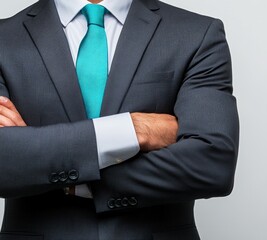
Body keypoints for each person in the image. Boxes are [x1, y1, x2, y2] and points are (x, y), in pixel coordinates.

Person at [0, 0, 239, 239]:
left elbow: (213, 165)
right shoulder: (4, 38)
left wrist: (61, 174)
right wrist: (132, 130)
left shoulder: (197, 33)